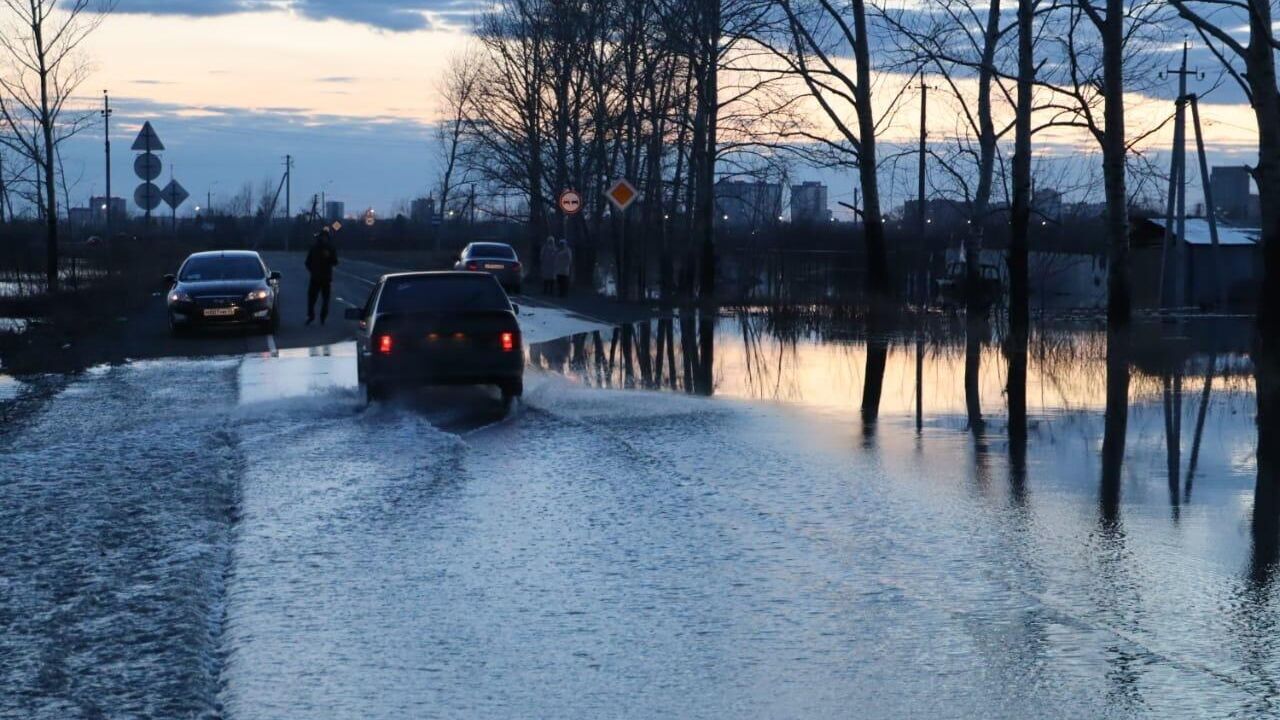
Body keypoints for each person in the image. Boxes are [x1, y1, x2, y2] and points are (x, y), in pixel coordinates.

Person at [305, 227, 339, 325]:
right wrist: (313, 270)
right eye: (323, 237)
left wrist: (329, 257)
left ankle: (322, 317)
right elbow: (307, 262)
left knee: (324, 300)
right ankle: (312, 316)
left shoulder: (329, 248)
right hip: (317, 278)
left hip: (325, 278)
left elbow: (335, 261)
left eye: (325, 237)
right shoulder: (315, 248)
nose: (324, 239)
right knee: (312, 299)